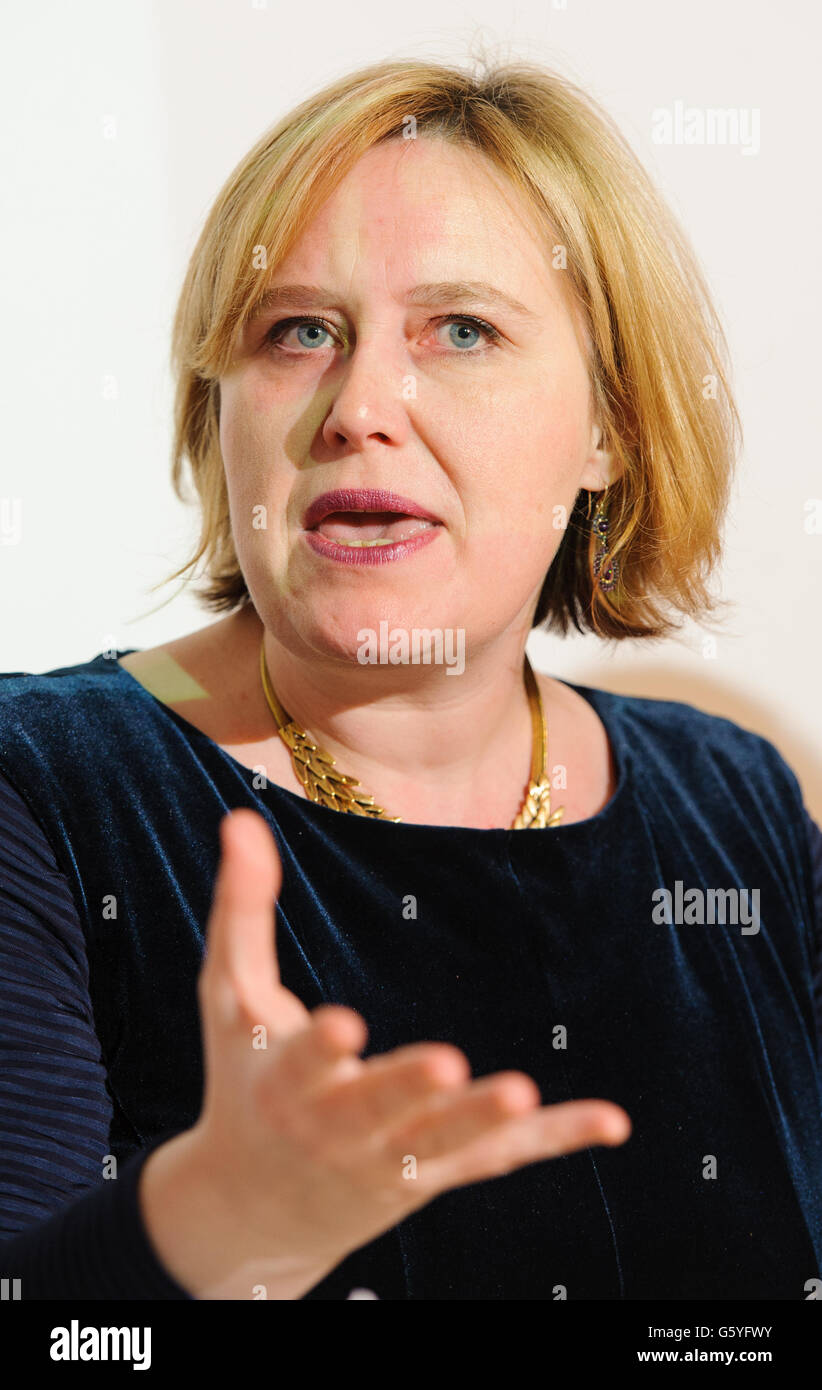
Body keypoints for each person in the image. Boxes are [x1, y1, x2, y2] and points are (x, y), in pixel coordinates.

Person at [1, 56, 821, 1301]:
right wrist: (207, 1229)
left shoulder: (740, 803)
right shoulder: (44, 790)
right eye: (299, 331)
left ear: (608, 427)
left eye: (463, 330)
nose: (359, 406)